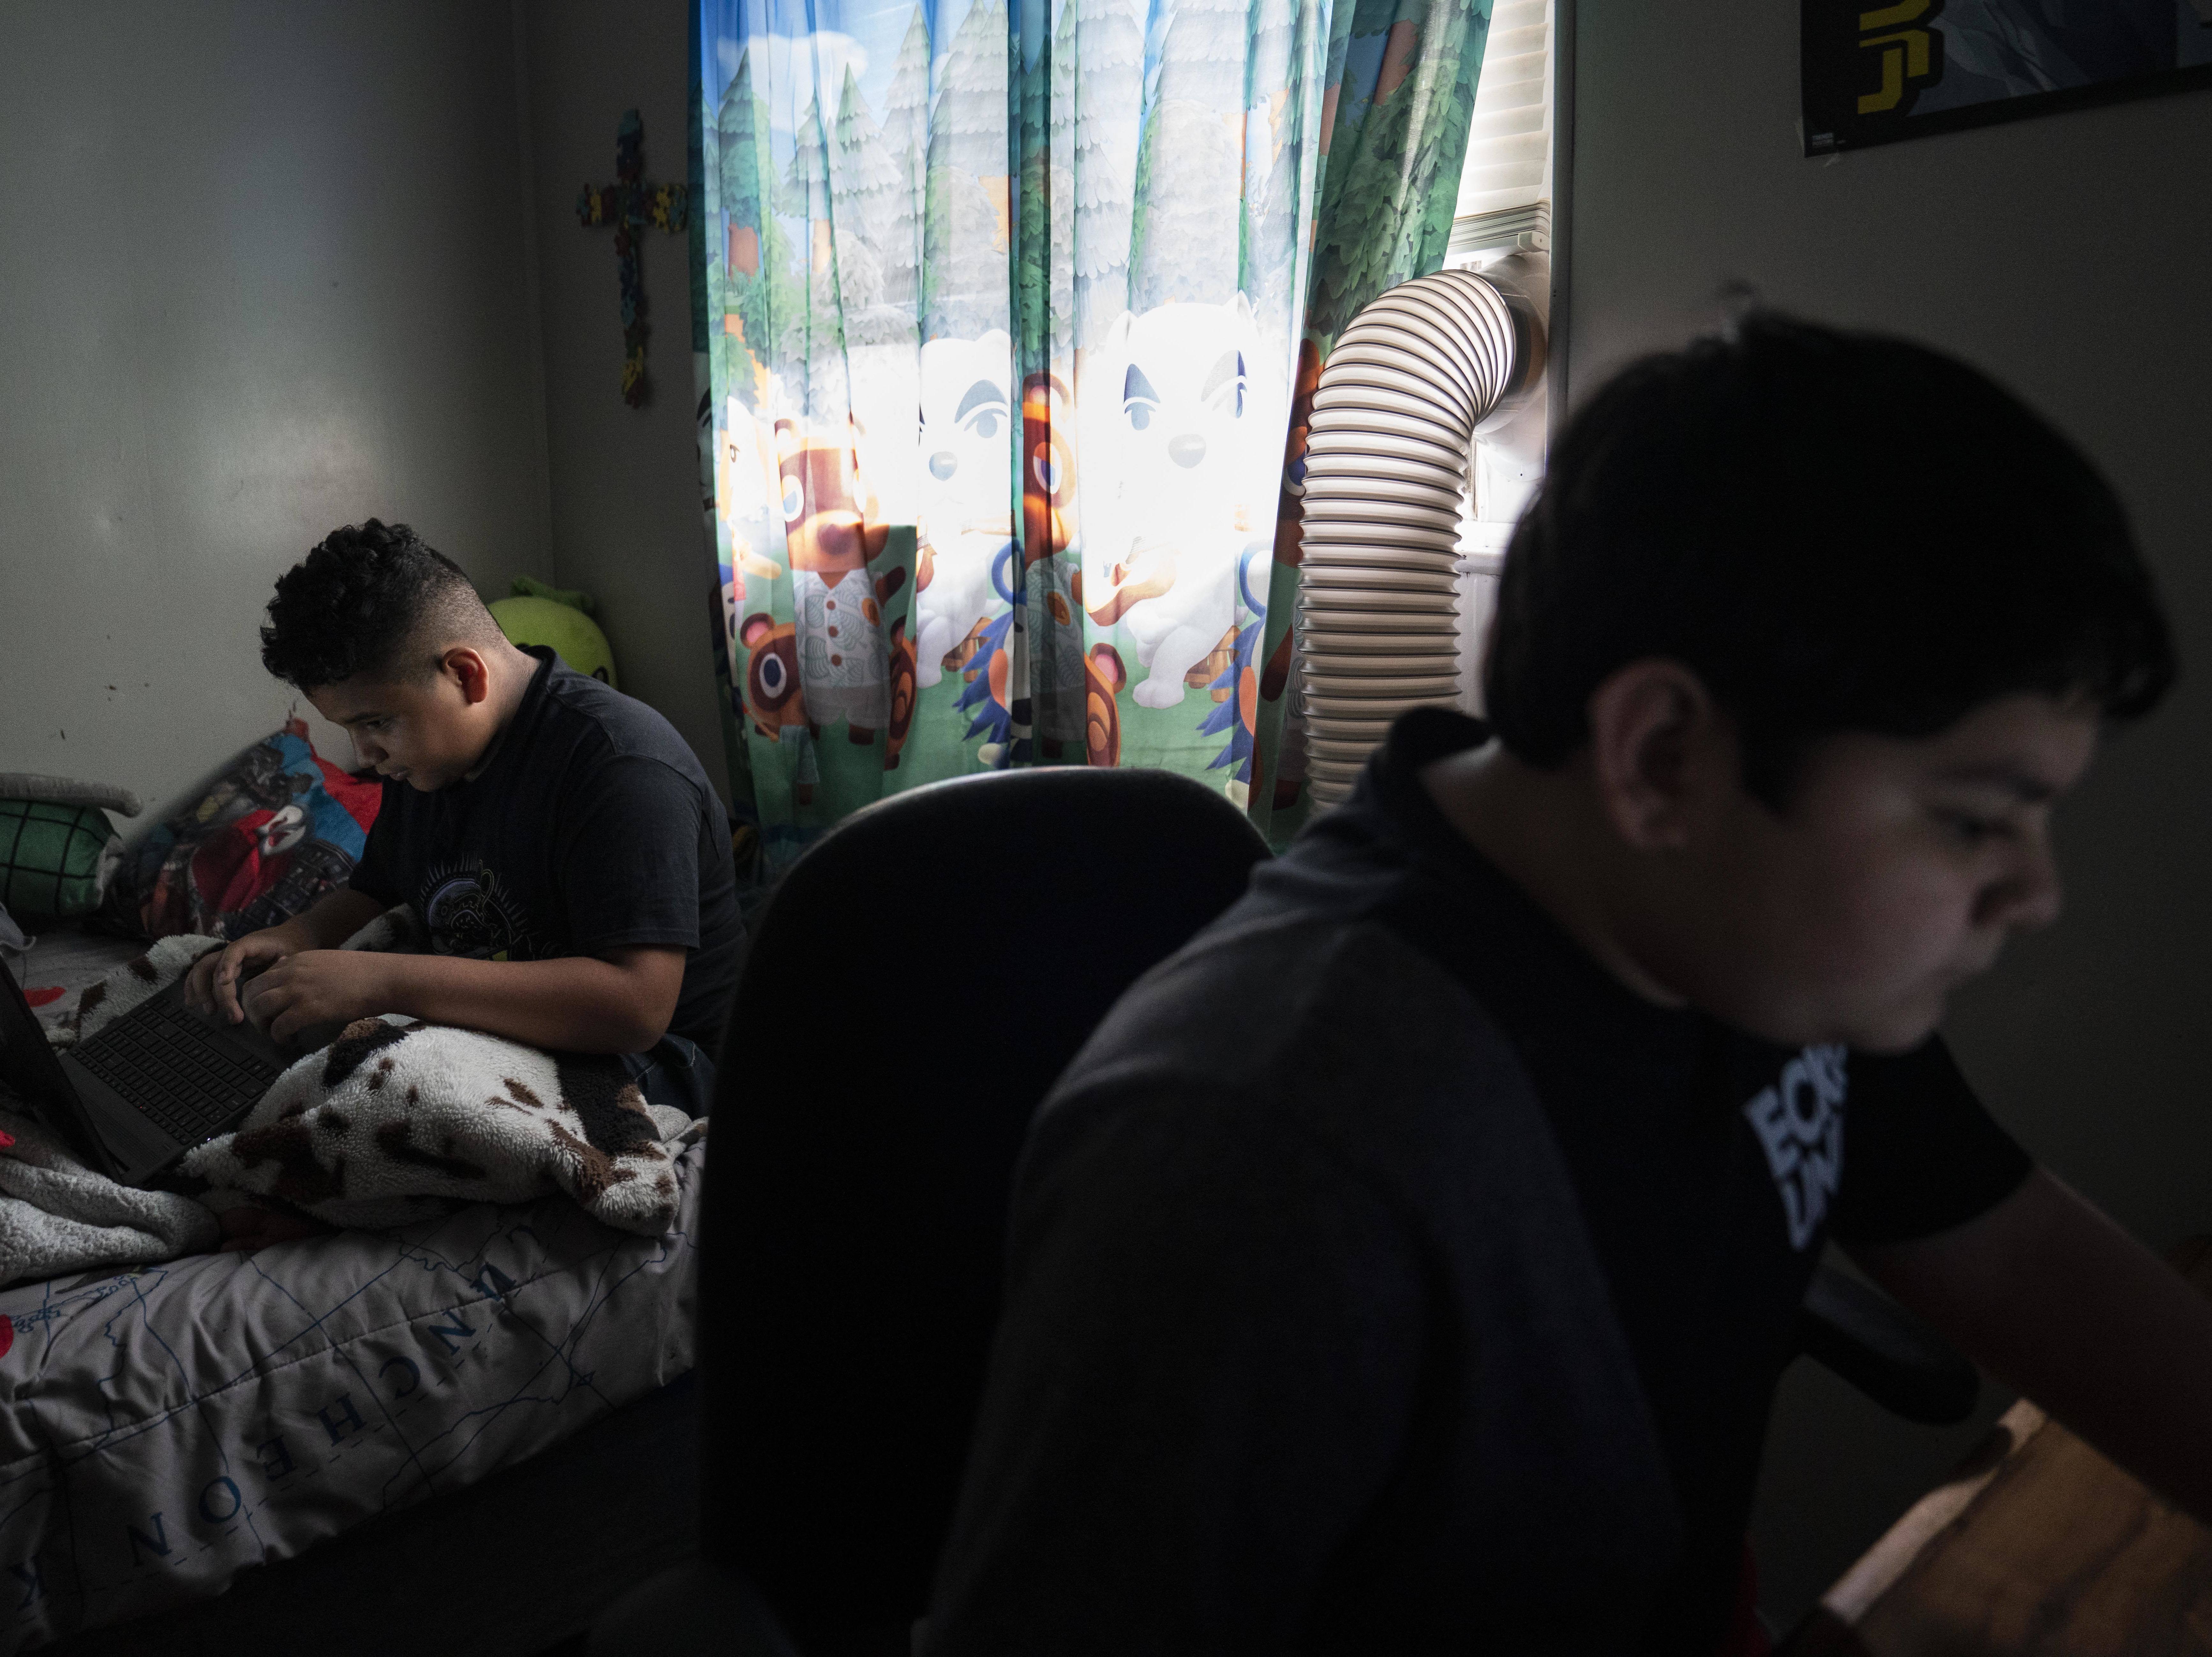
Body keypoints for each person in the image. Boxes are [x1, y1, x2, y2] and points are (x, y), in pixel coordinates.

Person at [920, 315, 2208, 1655]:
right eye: (1968, 817)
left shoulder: (1750, 939)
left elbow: (2005, 1244)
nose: (2033, 892)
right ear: (1659, 757)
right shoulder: (1260, 1143)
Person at [185, 520, 743, 1118]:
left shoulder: (621, 766)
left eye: (375, 723)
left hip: (662, 1067)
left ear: (465, 675)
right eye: (350, 729)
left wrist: (380, 981)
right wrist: (296, 937)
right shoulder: (425, 762)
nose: (365, 754)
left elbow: (636, 1008)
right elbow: (376, 890)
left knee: (388, 1097)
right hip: (498, 1028)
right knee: (196, 990)